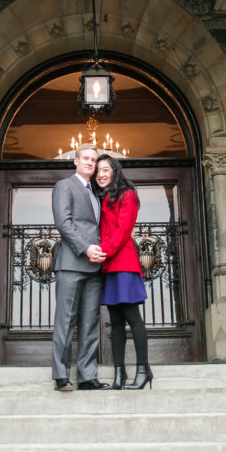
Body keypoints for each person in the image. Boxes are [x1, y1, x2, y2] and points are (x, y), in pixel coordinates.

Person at [51, 144, 110, 391]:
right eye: (85, 158)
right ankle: (62, 376)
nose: (90, 162)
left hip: (94, 268)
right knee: (66, 321)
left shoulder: (96, 193)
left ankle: (87, 377)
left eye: (93, 160)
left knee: (90, 323)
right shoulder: (64, 186)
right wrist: (86, 248)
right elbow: (63, 223)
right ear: (75, 161)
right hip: (71, 263)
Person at [94, 154, 152, 390]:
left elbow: (122, 231)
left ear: (115, 171)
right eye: (98, 170)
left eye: (105, 169)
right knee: (115, 322)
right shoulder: (100, 197)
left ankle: (143, 370)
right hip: (108, 266)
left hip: (123, 263)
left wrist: (102, 251)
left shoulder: (127, 196)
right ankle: (120, 374)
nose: (100, 174)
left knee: (132, 318)